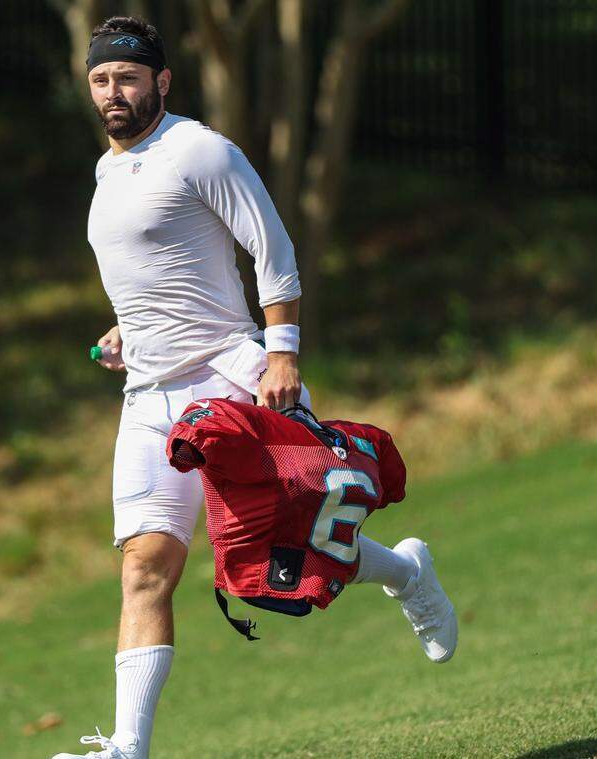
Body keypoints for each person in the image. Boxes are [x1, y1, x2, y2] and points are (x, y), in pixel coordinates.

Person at [52, 16, 457, 759]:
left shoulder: (200, 150)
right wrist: (125, 329)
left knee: (286, 552)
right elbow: (160, 275)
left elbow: (272, 248)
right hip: (148, 398)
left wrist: (282, 354)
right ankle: (126, 750)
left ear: (162, 81)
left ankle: (405, 572)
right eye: (102, 79)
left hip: (229, 381)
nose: (114, 92)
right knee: (145, 566)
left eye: (129, 78)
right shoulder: (109, 172)